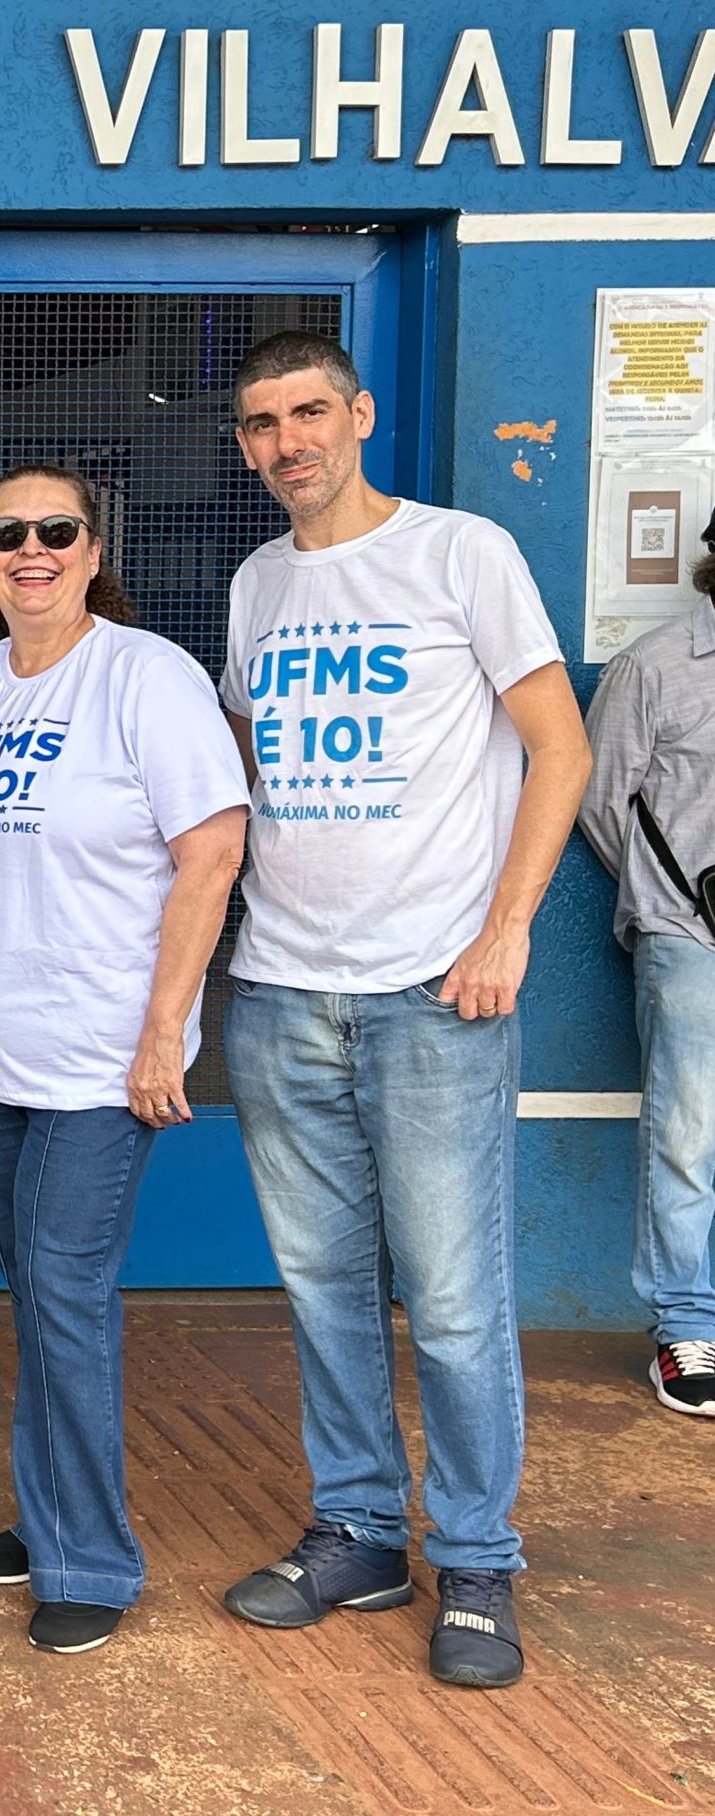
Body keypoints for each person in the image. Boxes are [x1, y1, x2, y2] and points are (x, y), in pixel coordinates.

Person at [217, 329, 590, 1691]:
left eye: (308, 412)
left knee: (452, 1302)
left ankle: (477, 1559)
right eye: (262, 424)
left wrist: (507, 931)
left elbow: (561, 747)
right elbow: (249, 760)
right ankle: (361, 1532)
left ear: (360, 414)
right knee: (323, 1291)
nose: (288, 442)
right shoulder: (257, 583)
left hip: (434, 990)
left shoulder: (460, 553)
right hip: (281, 990)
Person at [0, 464, 248, 1655]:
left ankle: (89, 1557)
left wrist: (163, 1033)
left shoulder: (145, 675)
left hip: (100, 1061)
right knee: (38, 1294)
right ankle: (48, 1518)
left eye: (57, 531)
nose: (30, 550)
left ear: (93, 552)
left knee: (64, 1291)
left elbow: (211, 854)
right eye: (7, 533)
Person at [580, 514, 715, 1420]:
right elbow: (599, 801)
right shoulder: (655, 666)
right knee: (687, 1133)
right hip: (690, 937)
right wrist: (667, 902)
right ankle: (686, 1326)